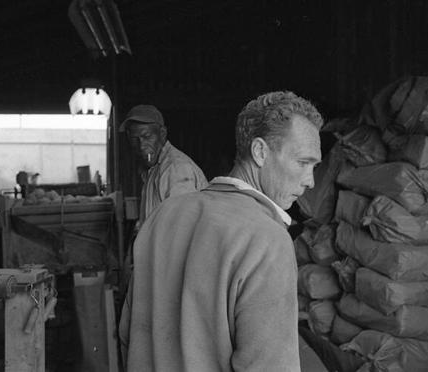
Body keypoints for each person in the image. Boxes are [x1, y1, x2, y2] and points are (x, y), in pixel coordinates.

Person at [119, 91, 323, 371]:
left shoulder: (163, 216)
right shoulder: (267, 238)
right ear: (260, 152)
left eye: (314, 166)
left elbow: (128, 333)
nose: (311, 181)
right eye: (303, 162)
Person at [120, 104, 208, 228]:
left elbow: (181, 230)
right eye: (134, 139)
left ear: (162, 134)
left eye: (147, 137)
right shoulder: (152, 169)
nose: (141, 145)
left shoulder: (176, 169)